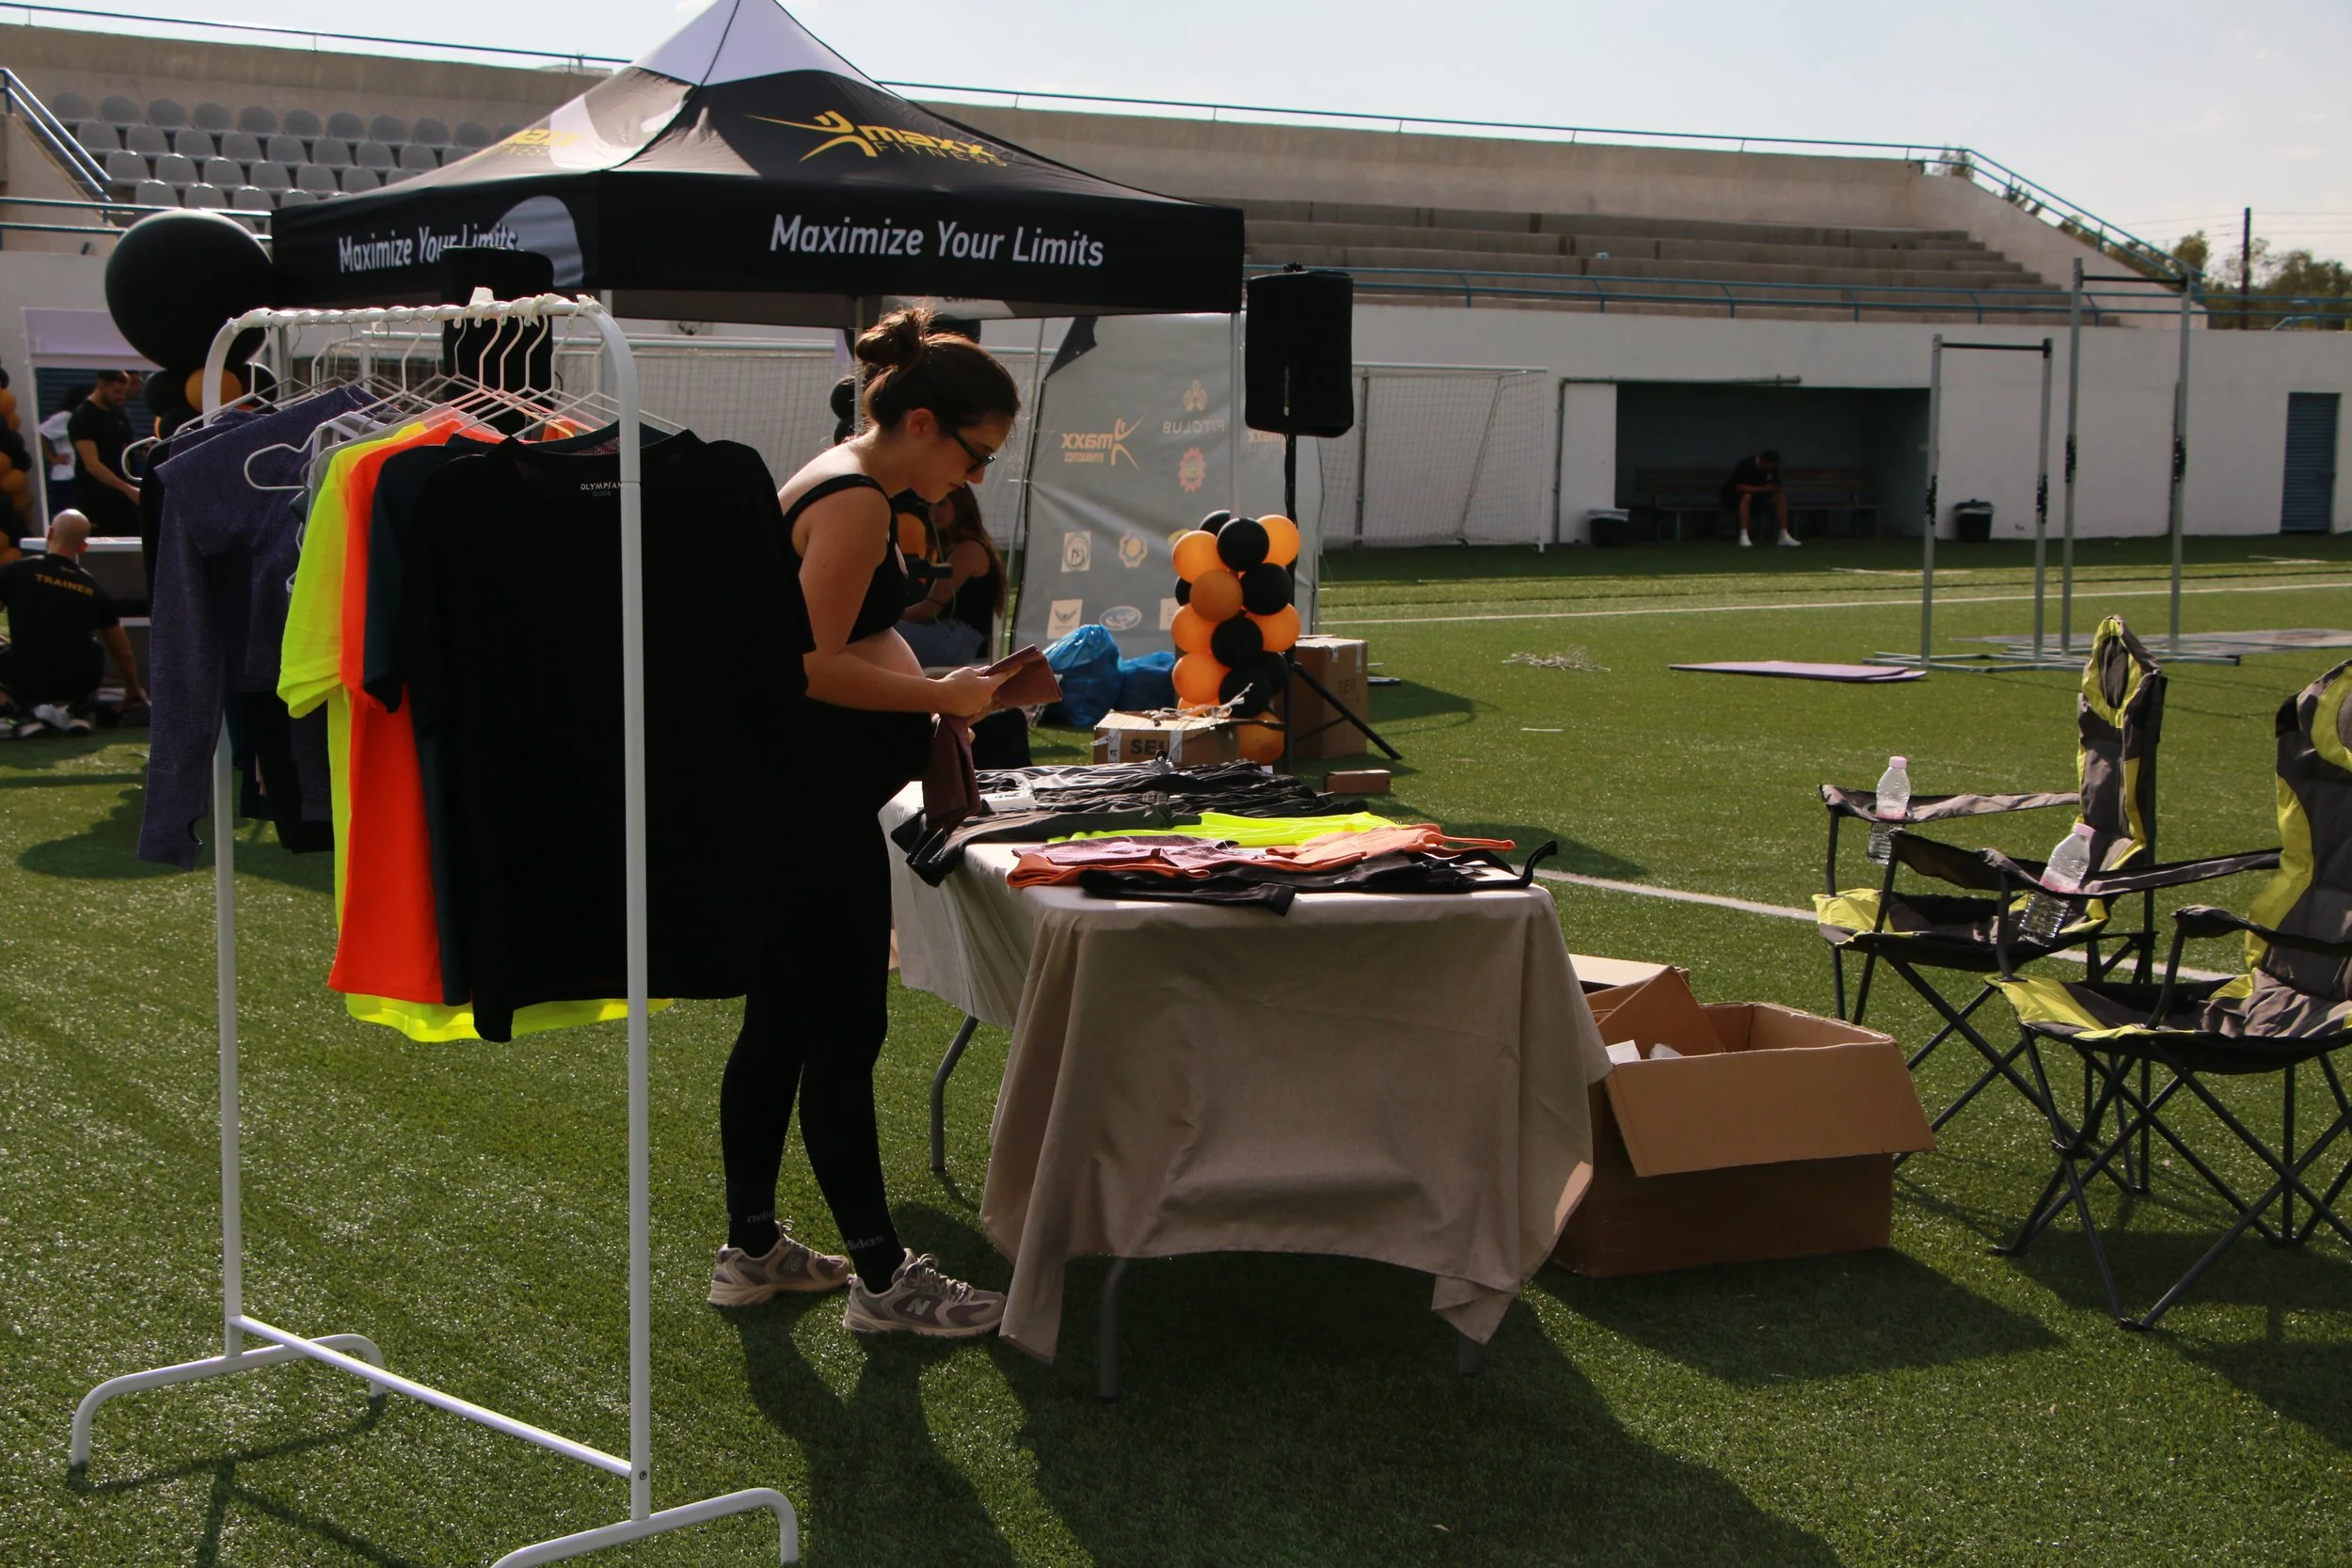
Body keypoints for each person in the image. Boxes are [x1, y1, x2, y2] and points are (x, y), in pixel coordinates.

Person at [708, 307, 1017, 1337]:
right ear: (922, 423)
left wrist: (927, 693)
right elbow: (807, 665)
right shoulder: (854, 502)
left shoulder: (840, 481)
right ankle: (883, 1281)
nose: (973, 478)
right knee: (840, 1036)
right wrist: (941, 695)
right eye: (974, 454)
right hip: (807, 810)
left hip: (788, 801)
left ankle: (753, 1248)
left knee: (782, 1028)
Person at [0, 509, 144, 738]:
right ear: (83, 546)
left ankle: (18, 712)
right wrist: (133, 690)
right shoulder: (94, 588)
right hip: (78, 679)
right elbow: (123, 651)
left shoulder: (17, 572)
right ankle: (76, 709)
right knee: (92, 649)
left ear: (49, 534)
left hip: (25, 674)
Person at [896, 484, 1003, 668]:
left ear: (961, 505)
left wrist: (887, 618)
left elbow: (930, 609)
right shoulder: (950, 548)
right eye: (930, 505)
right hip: (948, 634)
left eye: (941, 504)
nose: (934, 511)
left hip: (957, 639)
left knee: (875, 634)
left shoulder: (969, 550)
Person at [68, 370, 141, 537]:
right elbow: (92, 465)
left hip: (125, 500)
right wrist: (127, 489)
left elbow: (125, 444)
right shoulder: (84, 416)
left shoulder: (119, 412)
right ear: (101, 386)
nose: (121, 397)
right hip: (98, 499)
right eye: (116, 392)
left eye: (123, 392)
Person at [1722, 449, 1799, 547]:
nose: (1771, 468)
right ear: (1763, 460)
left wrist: (1775, 488)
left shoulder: (1773, 469)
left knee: (1780, 496)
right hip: (1735, 497)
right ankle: (1744, 536)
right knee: (1747, 496)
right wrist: (1764, 489)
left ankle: (1783, 535)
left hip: (1759, 497)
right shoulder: (1746, 464)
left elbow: (1775, 485)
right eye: (1770, 465)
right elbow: (1740, 488)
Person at [39, 383, 87, 518]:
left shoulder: (84, 418)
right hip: (66, 476)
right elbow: (41, 433)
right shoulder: (65, 417)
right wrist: (52, 457)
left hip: (79, 475)